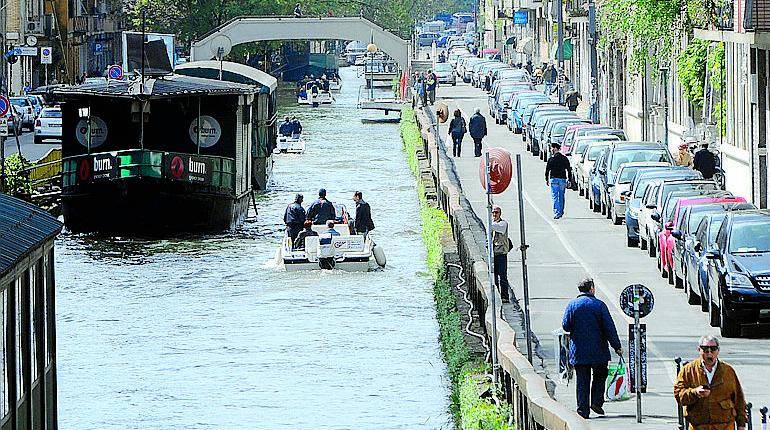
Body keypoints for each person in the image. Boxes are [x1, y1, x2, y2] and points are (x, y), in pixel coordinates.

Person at [562, 278, 622, 419]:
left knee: (582, 380)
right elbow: (609, 328)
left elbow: (565, 325)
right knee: (600, 376)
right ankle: (596, 402)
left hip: (579, 352)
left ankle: (583, 410)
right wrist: (616, 346)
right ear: (592, 289)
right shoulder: (599, 305)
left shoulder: (572, 305)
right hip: (599, 351)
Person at [674, 335, 747, 430]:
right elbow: (679, 395)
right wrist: (695, 392)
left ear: (718, 351)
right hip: (699, 425)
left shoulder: (728, 371)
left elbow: (739, 400)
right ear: (699, 350)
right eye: (705, 349)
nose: (709, 353)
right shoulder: (688, 370)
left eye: (713, 349)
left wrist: (741, 425)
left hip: (725, 425)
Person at [545, 143, 572, 219]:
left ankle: (557, 212)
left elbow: (547, 170)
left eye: (552, 148)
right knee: (561, 196)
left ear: (555, 148)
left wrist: (546, 179)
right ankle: (561, 211)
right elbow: (569, 169)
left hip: (554, 179)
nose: (551, 150)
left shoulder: (551, 159)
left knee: (555, 196)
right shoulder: (564, 158)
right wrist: (569, 179)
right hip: (562, 180)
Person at [491, 206, 511, 303]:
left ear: (500, 213)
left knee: (502, 276)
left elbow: (495, 227)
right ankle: (496, 296)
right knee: (493, 276)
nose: (495, 214)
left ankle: (505, 296)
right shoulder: (493, 223)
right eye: (493, 213)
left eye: (497, 212)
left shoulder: (503, 224)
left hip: (501, 253)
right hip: (493, 254)